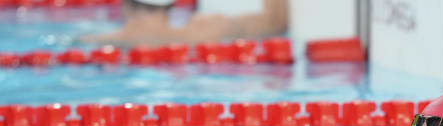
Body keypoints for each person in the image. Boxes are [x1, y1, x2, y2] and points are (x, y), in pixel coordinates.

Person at [80, 0, 288, 47]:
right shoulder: (207, 31)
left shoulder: (93, 41)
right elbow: (276, 22)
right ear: (173, 5)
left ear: (124, 4)